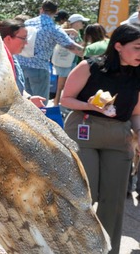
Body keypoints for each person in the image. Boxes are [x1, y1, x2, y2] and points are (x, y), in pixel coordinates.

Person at [60, 23, 140, 254]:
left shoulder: (137, 75)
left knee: (114, 199)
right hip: (84, 131)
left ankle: (106, 250)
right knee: (86, 193)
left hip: (119, 138)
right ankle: (74, 246)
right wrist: (90, 104)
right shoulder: (90, 66)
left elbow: (136, 113)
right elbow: (66, 99)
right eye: (137, 48)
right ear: (118, 46)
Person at [16, 1, 84, 100]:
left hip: (21, 65)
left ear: (41, 9)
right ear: (56, 12)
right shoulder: (54, 29)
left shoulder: (27, 23)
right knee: (40, 103)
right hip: (38, 68)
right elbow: (72, 47)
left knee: (25, 101)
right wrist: (90, 52)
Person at [0, 19, 46, 108]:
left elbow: (18, 90)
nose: (26, 42)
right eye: (23, 38)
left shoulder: (13, 58)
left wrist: (29, 98)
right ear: (8, 38)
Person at [52, 13, 88, 106]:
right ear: (76, 23)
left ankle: (60, 103)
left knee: (67, 83)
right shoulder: (67, 31)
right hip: (64, 60)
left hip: (71, 60)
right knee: (61, 84)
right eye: (82, 22)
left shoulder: (77, 32)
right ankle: (56, 104)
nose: (83, 24)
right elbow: (55, 31)